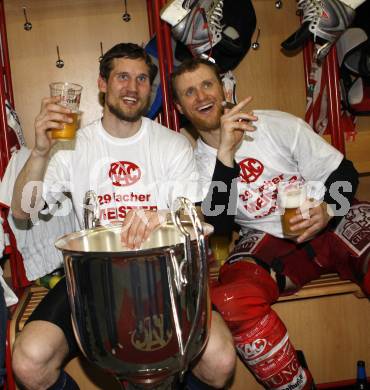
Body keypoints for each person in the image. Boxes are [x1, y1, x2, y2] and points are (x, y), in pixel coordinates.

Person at [10, 44, 236, 390]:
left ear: (152, 89)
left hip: (165, 277)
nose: (132, 87)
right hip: (92, 278)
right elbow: (22, 211)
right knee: (29, 361)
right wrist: (41, 151)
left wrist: (163, 217)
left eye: (142, 79)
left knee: (220, 363)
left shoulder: (172, 144)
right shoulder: (72, 146)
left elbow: (206, 219)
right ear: (102, 84)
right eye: (123, 77)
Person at [171, 57, 370, 390]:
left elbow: (345, 173)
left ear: (222, 88)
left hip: (333, 219)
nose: (201, 95)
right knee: (228, 302)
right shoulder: (195, 165)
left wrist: (329, 208)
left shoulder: (276, 125)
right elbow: (219, 223)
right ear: (178, 106)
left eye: (207, 84)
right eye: (189, 92)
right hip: (267, 236)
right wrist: (226, 154)